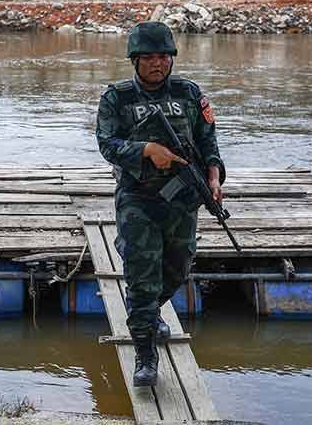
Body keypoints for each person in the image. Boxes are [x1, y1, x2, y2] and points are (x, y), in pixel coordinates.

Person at [95, 21, 225, 388]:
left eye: (163, 57)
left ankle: (150, 315)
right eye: (149, 58)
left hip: (183, 198)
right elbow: (107, 144)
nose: (157, 64)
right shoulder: (116, 98)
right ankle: (145, 355)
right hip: (138, 199)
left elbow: (207, 141)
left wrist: (214, 176)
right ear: (134, 61)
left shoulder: (188, 93)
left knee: (179, 269)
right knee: (141, 278)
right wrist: (148, 151)